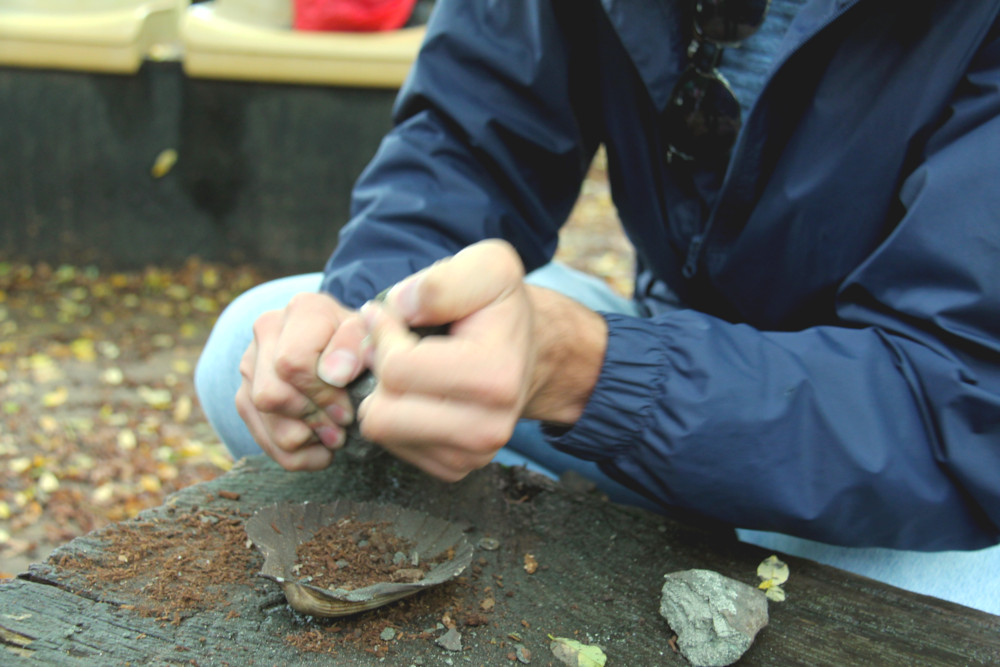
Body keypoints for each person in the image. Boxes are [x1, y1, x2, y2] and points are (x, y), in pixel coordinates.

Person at [196, 0, 1000, 614]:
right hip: (684, 366)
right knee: (256, 340)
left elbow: (959, 406)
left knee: (965, 609)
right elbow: (467, 139)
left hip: (913, 455)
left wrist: (595, 374)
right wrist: (371, 312)